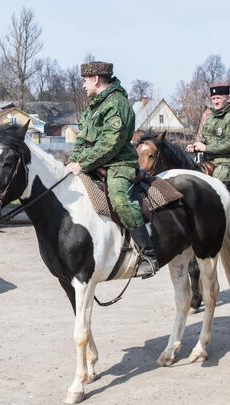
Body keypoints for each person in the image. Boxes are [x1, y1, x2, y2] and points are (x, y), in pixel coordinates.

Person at [66, 61, 159, 278]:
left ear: (96, 79)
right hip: (95, 162)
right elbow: (82, 140)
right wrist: (72, 162)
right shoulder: (95, 105)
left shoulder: (117, 104)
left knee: (119, 198)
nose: (83, 85)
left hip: (118, 164)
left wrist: (83, 163)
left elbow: (111, 143)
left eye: (85, 80)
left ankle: (148, 254)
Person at [186, 84, 230, 186]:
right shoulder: (211, 117)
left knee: (213, 188)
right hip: (208, 159)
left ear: (227, 98)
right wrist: (196, 146)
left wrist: (205, 148)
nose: (215, 101)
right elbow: (205, 139)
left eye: (218, 98)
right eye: (213, 98)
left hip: (226, 162)